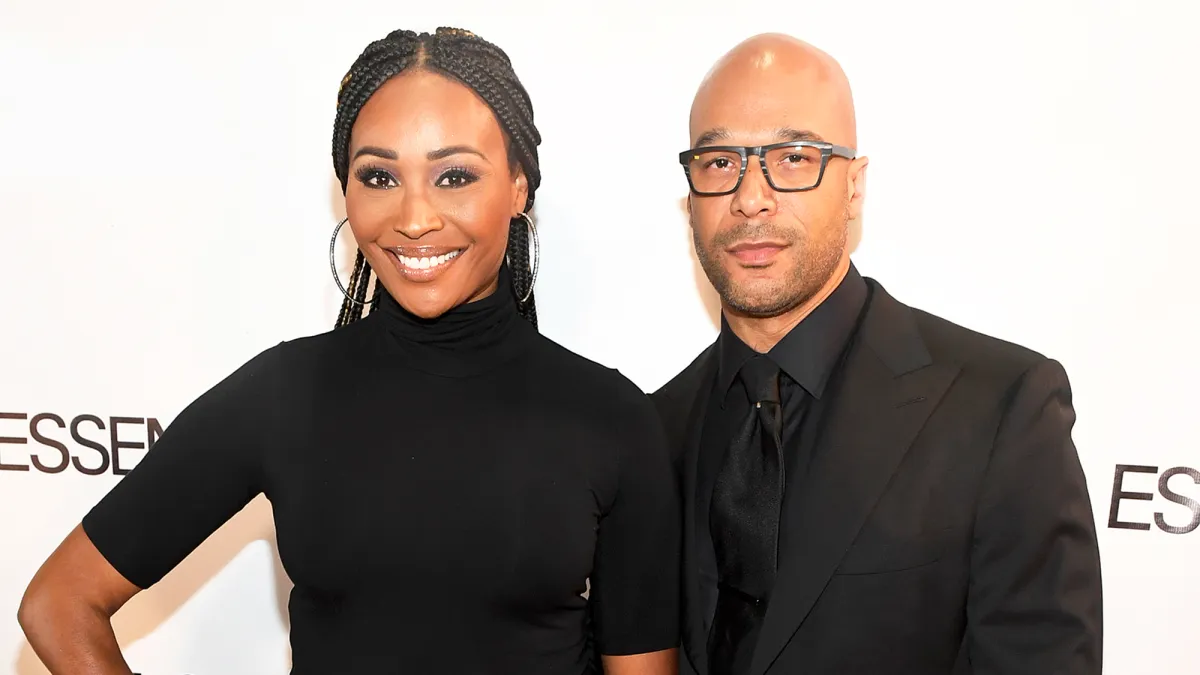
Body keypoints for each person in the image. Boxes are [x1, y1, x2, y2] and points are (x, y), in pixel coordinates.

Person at [18, 27, 679, 675]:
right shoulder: (285, 394)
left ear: (518, 186)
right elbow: (59, 603)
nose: (414, 217)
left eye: (453, 175)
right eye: (379, 176)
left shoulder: (612, 420)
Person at [652, 33, 1103, 675]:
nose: (751, 197)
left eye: (794, 157)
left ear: (855, 186)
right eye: (720, 162)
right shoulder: (652, 427)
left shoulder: (1000, 409)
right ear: (691, 192)